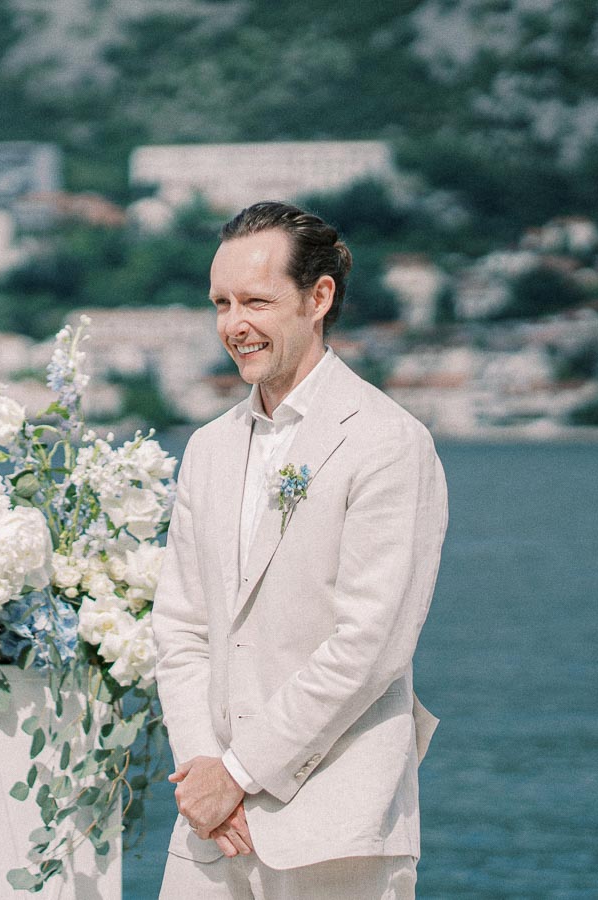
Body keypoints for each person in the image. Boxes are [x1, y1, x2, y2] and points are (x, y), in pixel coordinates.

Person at [153, 201, 448, 899]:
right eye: (221, 303)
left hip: (336, 828)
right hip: (207, 830)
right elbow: (182, 625)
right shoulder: (208, 447)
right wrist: (203, 770)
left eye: (256, 300)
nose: (234, 324)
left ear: (319, 298)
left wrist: (241, 772)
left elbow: (370, 645)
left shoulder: (388, 442)